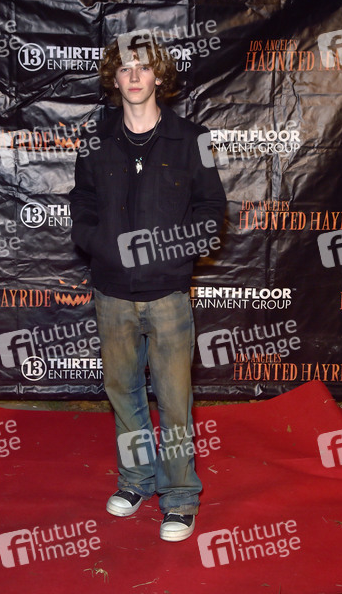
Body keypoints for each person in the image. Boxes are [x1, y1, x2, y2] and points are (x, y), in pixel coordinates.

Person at [69, 33, 226, 542]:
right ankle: (136, 480)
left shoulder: (193, 138)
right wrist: (102, 246)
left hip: (168, 295)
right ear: (114, 79)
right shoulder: (95, 140)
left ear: (158, 74)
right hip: (112, 292)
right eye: (124, 67)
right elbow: (81, 205)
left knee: (175, 400)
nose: (134, 75)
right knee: (123, 393)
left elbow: (211, 211)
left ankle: (179, 497)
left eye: (143, 66)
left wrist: (172, 252)